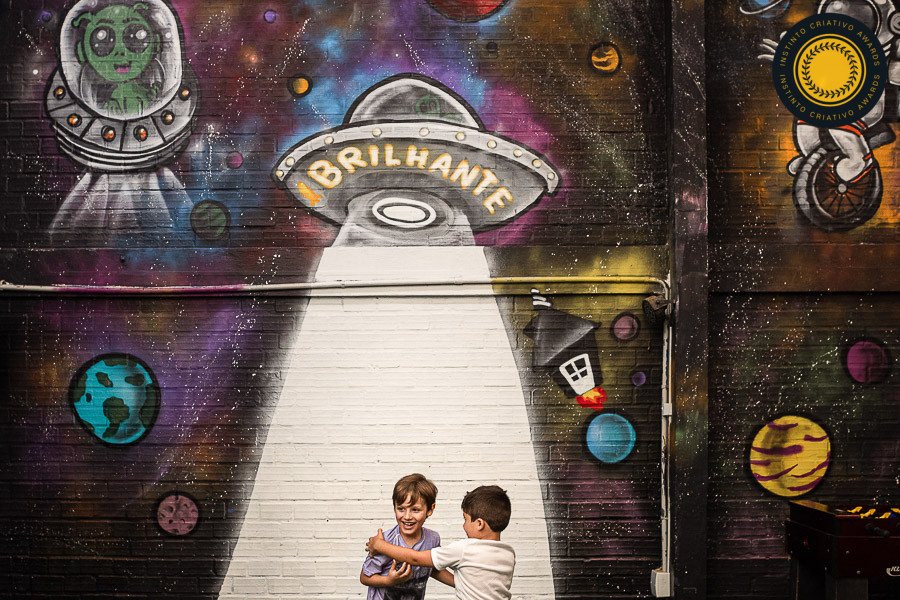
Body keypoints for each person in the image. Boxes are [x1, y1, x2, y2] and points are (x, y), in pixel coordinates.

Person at [367, 485, 516, 600]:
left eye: (465, 519)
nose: (464, 525)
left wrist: (379, 545)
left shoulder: (465, 549)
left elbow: (416, 558)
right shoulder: (509, 554)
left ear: (479, 524)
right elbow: (470, 580)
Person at [360, 474, 455, 600]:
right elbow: (364, 577)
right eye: (401, 509)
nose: (407, 516)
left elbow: (432, 568)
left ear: (430, 509)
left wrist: (460, 583)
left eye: (415, 510)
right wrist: (388, 580)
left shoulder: (433, 539)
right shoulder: (385, 541)